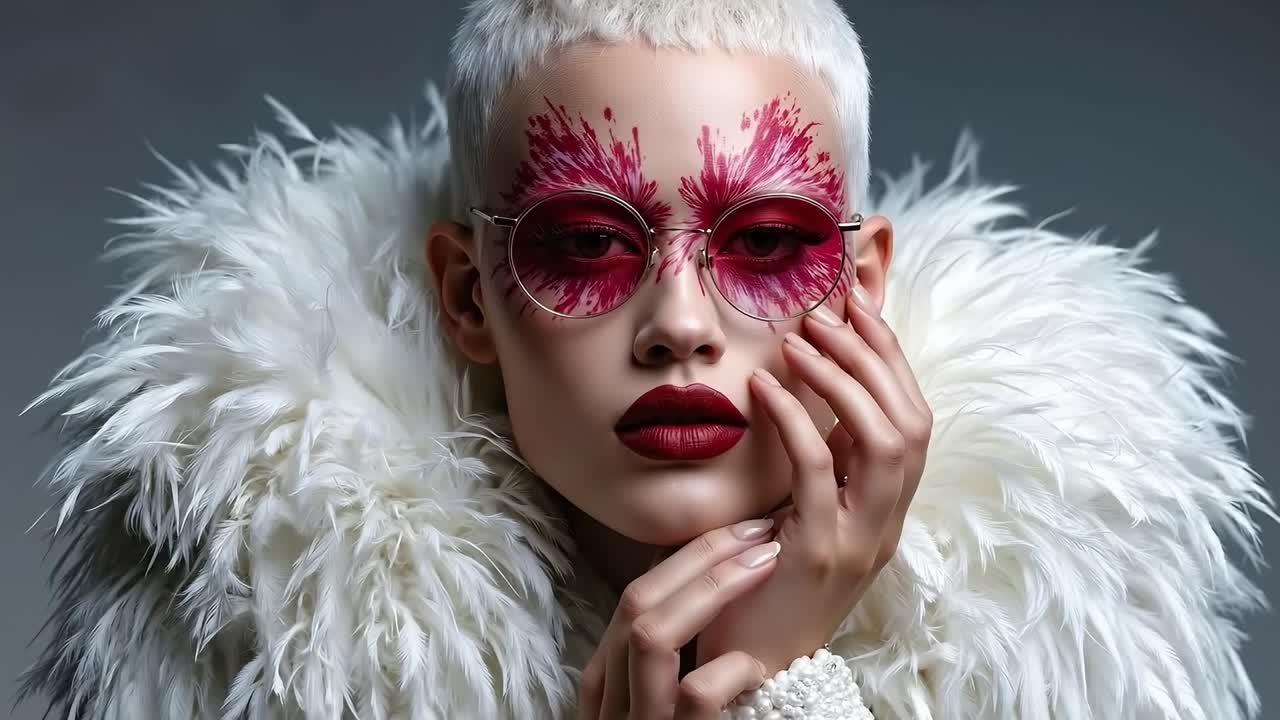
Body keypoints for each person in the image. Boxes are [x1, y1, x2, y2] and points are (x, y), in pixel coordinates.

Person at [17, 1, 1272, 718]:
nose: (677, 320)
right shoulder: (232, 617)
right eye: (583, 240)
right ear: (464, 296)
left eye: (767, 239)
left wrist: (780, 668)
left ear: (862, 283)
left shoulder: (1079, 633)